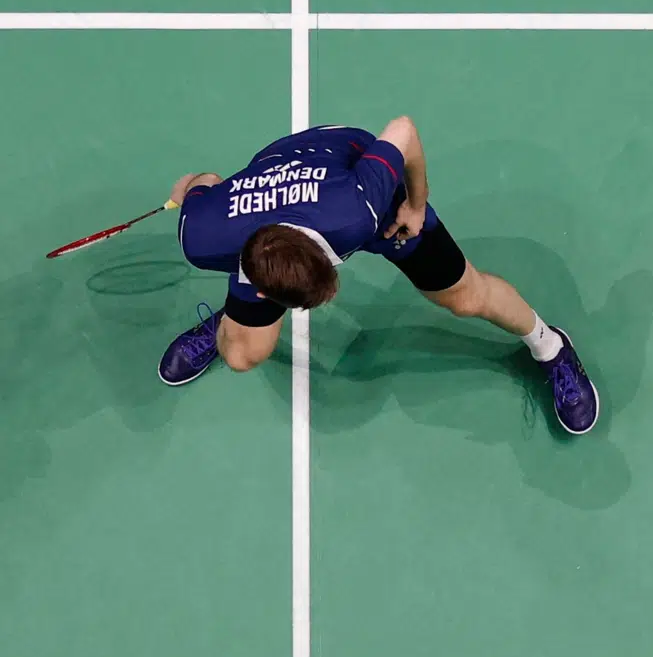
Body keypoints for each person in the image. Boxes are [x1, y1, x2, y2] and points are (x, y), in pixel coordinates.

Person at [160, 117, 599, 435]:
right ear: (256, 284)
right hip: (261, 199)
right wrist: (199, 185)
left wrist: (417, 204)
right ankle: (227, 320)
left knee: (466, 297)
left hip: (349, 171)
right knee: (243, 354)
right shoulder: (201, 235)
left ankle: (550, 346)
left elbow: (403, 131)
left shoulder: (359, 207)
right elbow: (204, 182)